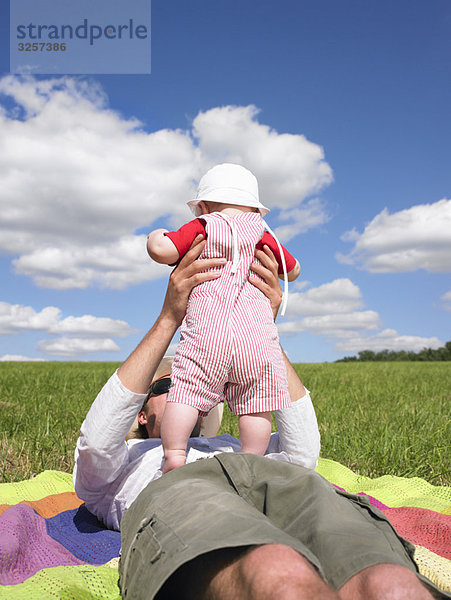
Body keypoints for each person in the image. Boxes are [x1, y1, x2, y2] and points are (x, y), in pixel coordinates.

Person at [73, 237, 444, 600]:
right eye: (170, 383)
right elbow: (96, 442)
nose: (190, 388)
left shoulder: (233, 444)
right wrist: (170, 317)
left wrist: (262, 332)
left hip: (271, 483)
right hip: (180, 490)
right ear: (141, 412)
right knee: (278, 575)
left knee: (391, 583)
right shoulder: (124, 465)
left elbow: (302, 455)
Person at [146, 163, 301, 472]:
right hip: (255, 339)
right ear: (256, 210)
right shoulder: (262, 235)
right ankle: (253, 463)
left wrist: (155, 235)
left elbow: (163, 250)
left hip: (207, 335)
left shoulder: (203, 226)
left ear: (202, 206)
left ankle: (175, 454)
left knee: (187, 393)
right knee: (257, 403)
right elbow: (292, 270)